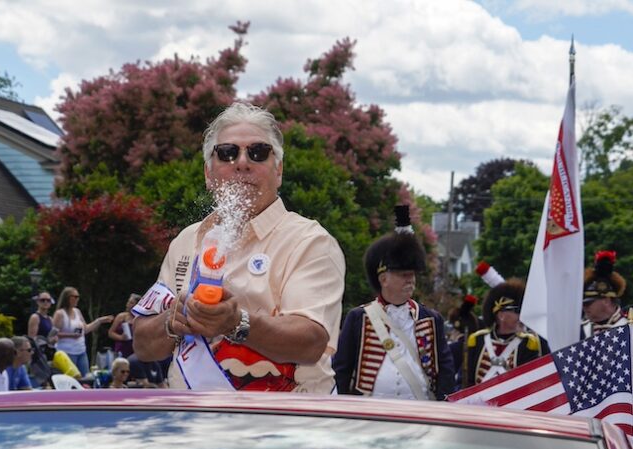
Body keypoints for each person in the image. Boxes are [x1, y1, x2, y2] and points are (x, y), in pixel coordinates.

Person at [132, 102, 345, 393]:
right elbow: (143, 346)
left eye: (258, 152)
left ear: (278, 171)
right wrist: (173, 320)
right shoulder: (186, 241)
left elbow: (311, 342)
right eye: (227, 153)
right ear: (208, 174)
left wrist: (236, 322)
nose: (242, 162)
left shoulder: (310, 241)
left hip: (283, 430)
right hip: (195, 429)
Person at [334, 205, 455, 400]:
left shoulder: (431, 319)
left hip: (420, 413)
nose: (411, 280)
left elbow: (445, 374)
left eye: (412, 274)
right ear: (383, 279)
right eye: (403, 275)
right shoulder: (358, 318)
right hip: (369, 415)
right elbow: (342, 370)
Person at [465, 279, 549, 387]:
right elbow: (468, 380)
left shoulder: (528, 343)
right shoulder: (477, 340)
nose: (520, 316)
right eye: (517, 311)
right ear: (501, 315)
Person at [52, 287, 114, 377]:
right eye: (75, 297)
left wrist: (100, 320)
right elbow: (53, 334)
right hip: (67, 352)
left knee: (86, 377)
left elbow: (85, 329)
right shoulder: (60, 314)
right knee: (71, 377)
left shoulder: (77, 312)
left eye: (78, 297)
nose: (77, 299)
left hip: (81, 350)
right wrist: (71, 335)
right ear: (68, 298)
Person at [581, 250, 628, 338]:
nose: (584, 307)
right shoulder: (580, 331)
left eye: (588, 303)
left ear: (606, 300)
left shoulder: (630, 327)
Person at [108, 293, 141, 357]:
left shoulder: (140, 319)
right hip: (121, 350)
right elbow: (110, 333)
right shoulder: (121, 317)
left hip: (135, 351)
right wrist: (121, 337)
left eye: (131, 303)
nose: (127, 304)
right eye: (128, 302)